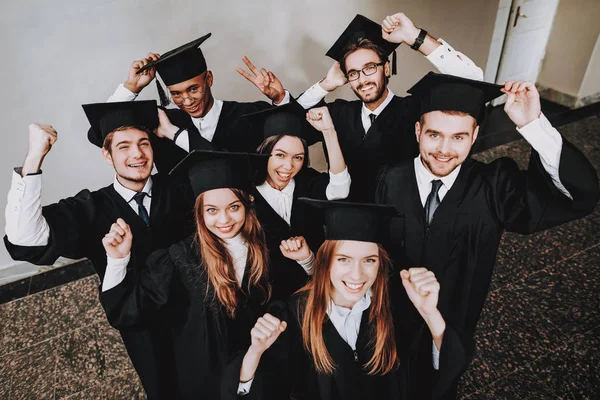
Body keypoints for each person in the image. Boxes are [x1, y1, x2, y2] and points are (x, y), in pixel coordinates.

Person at [376, 73, 600, 398]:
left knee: (439, 382)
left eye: (458, 137)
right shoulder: (390, 179)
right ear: (418, 131)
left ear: (475, 135)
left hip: (452, 319)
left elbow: (577, 197)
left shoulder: (494, 185)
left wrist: (533, 125)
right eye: (434, 135)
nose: (444, 150)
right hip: (389, 320)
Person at [3, 101, 195, 399]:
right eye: (124, 147)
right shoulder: (90, 209)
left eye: (144, 143)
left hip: (196, 312)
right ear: (107, 155)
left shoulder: (179, 187)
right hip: (140, 323)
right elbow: (26, 240)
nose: (137, 154)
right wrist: (34, 158)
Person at [223, 199, 453, 400]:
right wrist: (255, 351)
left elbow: (435, 372)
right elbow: (267, 388)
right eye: (344, 259)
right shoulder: (293, 315)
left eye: (369, 260)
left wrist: (430, 315)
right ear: (325, 262)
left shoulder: (395, 306)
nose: (356, 274)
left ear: (380, 265)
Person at [99, 150, 279, 399]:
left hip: (259, 368)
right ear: (200, 213)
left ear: (248, 203)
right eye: (212, 210)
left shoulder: (264, 247)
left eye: (233, 207)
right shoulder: (179, 259)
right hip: (206, 378)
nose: (224, 219)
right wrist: (117, 259)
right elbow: (127, 312)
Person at [296, 13, 483, 201]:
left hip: (401, 217)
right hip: (346, 217)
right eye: (353, 73)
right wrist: (326, 84)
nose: (363, 80)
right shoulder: (337, 113)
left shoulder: (415, 110)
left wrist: (415, 38)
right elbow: (290, 123)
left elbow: (471, 81)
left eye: (370, 68)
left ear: (386, 68)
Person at [99, 33, 292, 172]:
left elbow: (299, 137)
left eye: (193, 89)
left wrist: (280, 99)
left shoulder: (248, 114)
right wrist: (132, 87)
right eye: (176, 94)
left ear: (209, 79)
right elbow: (100, 133)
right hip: (178, 224)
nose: (187, 100)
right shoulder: (162, 120)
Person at [243, 102, 350, 298]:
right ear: (263, 151)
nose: (288, 166)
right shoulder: (244, 193)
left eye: (298, 157)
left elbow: (340, 189)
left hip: (311, 292)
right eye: (280, 155)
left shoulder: (308, 184)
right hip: (260, 299)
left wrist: (328, 132)